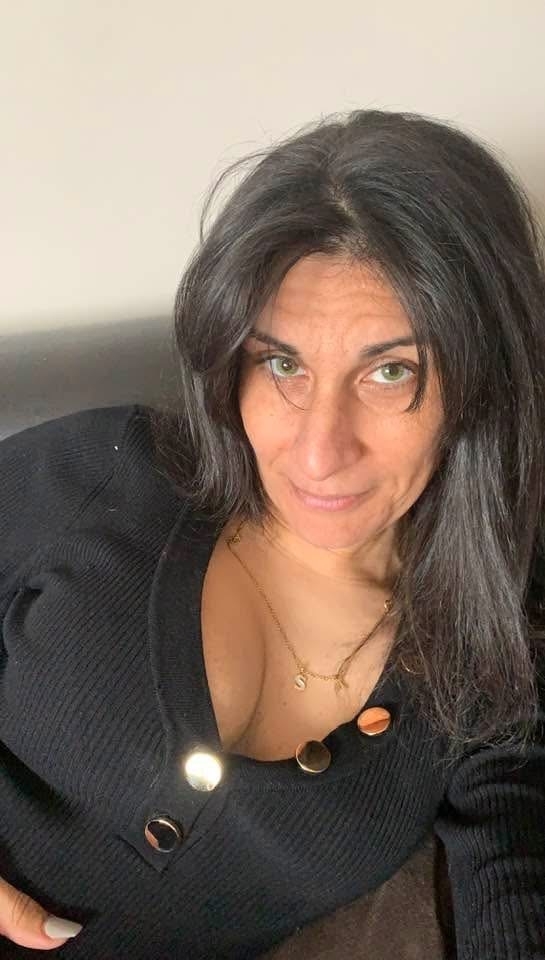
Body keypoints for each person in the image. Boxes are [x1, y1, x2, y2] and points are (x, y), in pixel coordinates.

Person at [1, 108, 544, 960]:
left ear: (482, 383)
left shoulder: (489, 646)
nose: (319, 452)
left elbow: (515, 872)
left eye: (390, 371)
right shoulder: (102, 475)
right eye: (282, 363)